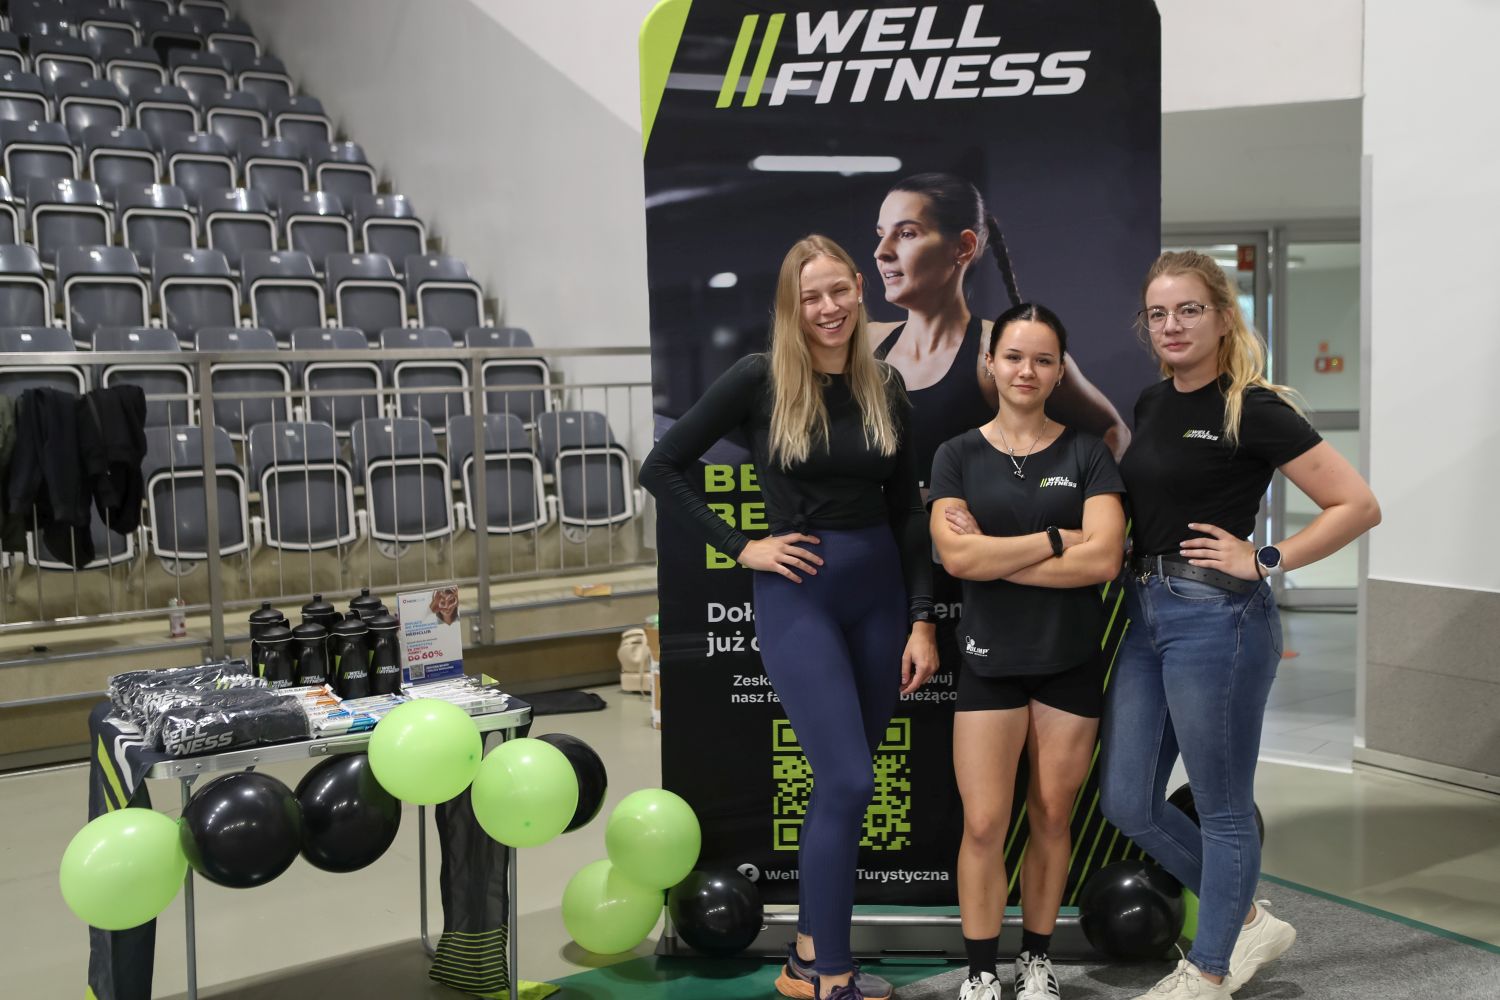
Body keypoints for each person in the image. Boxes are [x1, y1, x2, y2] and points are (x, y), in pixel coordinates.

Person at [640, 235, 939, 1000]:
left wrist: (922, 620)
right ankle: (831, 974)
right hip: (799, 596)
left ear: (859, 290)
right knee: (847, 779)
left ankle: (809, 957)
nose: (828, 307)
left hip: (879, 598)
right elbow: (662, 466)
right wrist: (743, 547)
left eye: (838, 290)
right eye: (811, 297)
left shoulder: (885, 385)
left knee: (844, 789)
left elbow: (908, 513)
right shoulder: (760, 378)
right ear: (791, 306)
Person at [1100, 251, 1381, 999]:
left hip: (1218, 619)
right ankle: (1248, 918)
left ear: (1224, 317)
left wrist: (1265, 557)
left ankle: (1210, 968)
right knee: (1127, 800)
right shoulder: (1152, 403)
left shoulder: (1252, 407)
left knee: (1223, 809)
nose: (1172, 325)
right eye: (1158, 313)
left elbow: (1357, 505)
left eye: (1189, 309)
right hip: (1145, 612)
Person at [929, 304, 1127, 1000]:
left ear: (1059, 371)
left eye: (1043, 360)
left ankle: (1036, 961)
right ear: (990, 362)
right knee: (984, 824)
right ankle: (982, 971)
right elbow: (955, 557)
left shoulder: (1088, 453)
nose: (1027, 371)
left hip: (1068, 661)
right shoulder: (957, 455)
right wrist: (1052, 541)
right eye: (1014, 356)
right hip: (988, 663)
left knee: (1051, 818)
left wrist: (995, 557)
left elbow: (1104, 560)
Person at [871, 172, 1131, 471]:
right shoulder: (867, 343)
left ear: (963, 246)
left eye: (906, 234)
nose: (881, 252)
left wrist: (1073, 497)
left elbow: (1114, 431)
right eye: (881, 235)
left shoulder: (998, 353)